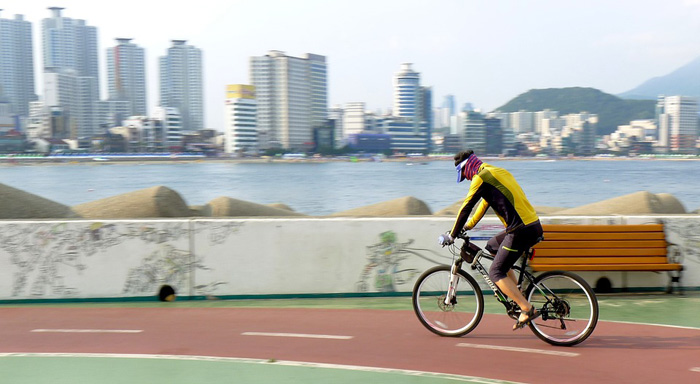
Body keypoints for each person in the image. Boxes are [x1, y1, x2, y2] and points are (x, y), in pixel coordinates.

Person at [440, 150, 544, 330]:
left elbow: (466, 207)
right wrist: (467, 227)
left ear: (468, 167)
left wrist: (452, 234)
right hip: (531, 225)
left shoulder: (481, 177)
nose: (465, 178)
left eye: (464, 174)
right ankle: (515, 292)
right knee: (493, 246)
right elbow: (483, 204)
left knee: (495, 273)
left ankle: (526, 308)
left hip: (519, 231)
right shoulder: (497, 172)